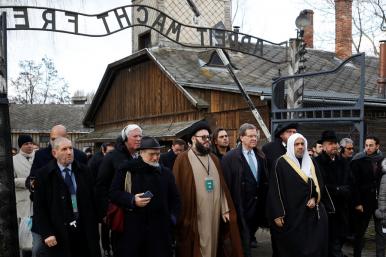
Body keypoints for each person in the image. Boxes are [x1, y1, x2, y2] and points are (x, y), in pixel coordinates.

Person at [173, 120, 243, 257]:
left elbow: (222, 187)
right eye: (203, 137)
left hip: (215, 212)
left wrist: (225, 209)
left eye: (209, 137)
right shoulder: (183, 159)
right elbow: (178, 190)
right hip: (196, 214)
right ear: (193, 139)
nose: (207, 141)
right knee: (200, 246)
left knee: (215, 244)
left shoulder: (214, 158)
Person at [109, 136, 181, 257]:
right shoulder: (127, 170)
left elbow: (176, 199)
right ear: (141, 153)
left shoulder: (166, 173)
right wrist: (132, 200)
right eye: (151, 154)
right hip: (134, 232)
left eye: (158, 154)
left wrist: (172, 218)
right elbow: (113, 193)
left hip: (160, 232)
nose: (155, 157)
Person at [33, 137, 100, 257]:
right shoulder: (43, 175)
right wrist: (47, 233)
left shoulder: (85, 171)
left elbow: (94, 199)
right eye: (64, 149)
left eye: (70, 148)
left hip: (84, 231)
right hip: (59, 232)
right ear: (54, 153)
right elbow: (39, 208)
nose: (69, 152)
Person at [27, 124, 87, 257]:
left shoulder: (79, 157)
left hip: (74, 215)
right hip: (50, 214)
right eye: (53, 139)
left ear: (67, 137)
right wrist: (33, 186)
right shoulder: (41, 155)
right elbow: (32, 180)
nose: (55, 142)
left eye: (59, 139)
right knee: (39, 249)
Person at [266, 133, 331, 257]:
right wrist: (278, 213)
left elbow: (320, 184)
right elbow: (275, 190)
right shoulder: (280, 163)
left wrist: (315, 198)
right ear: (291, 146)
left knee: (314, 247)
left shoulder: (311, 162)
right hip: (291, 215)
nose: (300, 147)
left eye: (302, 144)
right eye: (297, 144)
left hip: (311, 215)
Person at [221, 123, 268, 256]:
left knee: (249, 238)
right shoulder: (229, 158)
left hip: (257, 208)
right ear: (241, 137)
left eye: (256, 136)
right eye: (250, 136)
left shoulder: (261, 156)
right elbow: (226, 185)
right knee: (242, 243)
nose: (254, 138)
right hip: (240, 207)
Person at [95, 124, 142, 254]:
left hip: (137, 210)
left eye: (140, 136)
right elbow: (101, 186)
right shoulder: (111, 157)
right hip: (119, 211)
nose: (139, 139)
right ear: (125, 138)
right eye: (135, 136)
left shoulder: (139, 156)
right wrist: (105, 212)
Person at [262, 122, 297, 257]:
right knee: (278, 238)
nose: (293, 135)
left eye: (294, 132)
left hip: (294, 200)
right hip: (276, 199)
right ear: (281, 134)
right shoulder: (269, 149)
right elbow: (265, 176)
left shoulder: (299, 147)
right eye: (289, 132)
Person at [315, 131, 351, 257]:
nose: (334, 146)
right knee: (329, 238)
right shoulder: (317, 162)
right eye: (330, 144)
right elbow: (320, 185)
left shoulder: (342, 161)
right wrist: (338, 189)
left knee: (342, 235)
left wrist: (343, 190)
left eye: (335, 143)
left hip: (342, 207)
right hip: (327, 208)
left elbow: (349, 181)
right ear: (323, 146)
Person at [351, 136, 385, 257]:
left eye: (371, 145)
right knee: (360, 232)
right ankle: (357, 254)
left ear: (377, 146)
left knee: (381, 232)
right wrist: (357, 203)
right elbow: (354, 184)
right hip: (364, 202)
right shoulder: (358, 160)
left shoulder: (383, 161)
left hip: (380, 203)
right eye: (366, 145)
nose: (368, 148)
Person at [87, 142, 115, 257]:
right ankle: (106, 247)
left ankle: (108, 247)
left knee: (109, 223)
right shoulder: (96, 161)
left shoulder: (107, 159)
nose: (111, 155)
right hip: (98, 197)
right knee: (105, 223)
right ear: (103, 150)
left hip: (107, 195)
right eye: (109, 152)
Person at [13, 135, 35, 257]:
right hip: (23, 201)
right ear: (21, 145)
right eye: (26, 143)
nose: (29, 145)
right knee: (25, 235)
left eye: (31, 143)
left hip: (38, 201)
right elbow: (9, 180)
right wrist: (27, 182)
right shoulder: (14, 160)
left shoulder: (38, 157)